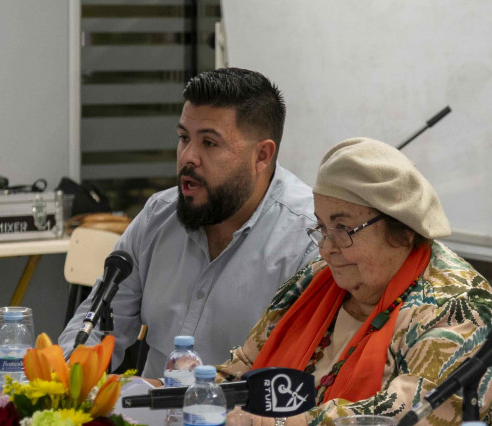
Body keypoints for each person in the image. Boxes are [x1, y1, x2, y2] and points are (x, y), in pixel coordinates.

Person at [218, 137, 492, 426]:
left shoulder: (459, 303)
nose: (327, 248)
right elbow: (241, 372)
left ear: (401, 230)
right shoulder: (315, 282)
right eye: (321, 228)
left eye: (343, 229)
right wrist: (188, 396)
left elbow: (409, 415)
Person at [60, 68, 317, 376]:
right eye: (183, 138)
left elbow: (295, 382)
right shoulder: (158, 215)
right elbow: (98, 330)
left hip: (241, 420)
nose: (187, 157)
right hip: (145, 420)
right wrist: (62, 383)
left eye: (209, 143)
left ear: (261, 155)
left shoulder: (308, 239)